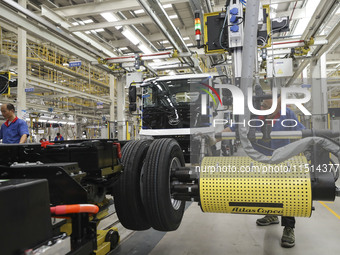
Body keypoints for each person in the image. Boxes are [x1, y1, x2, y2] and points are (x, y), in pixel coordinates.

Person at [222, 95, 305, 248]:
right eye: (262, 105)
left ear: (278, 107)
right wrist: (215, 137)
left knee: (287, 194)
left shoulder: (288, 115)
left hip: (282, 160)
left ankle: (288, 228)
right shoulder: (254, 116)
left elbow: (301, 131)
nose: (262, 109)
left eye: (267, 107)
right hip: (260, 161)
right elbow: (234, 128)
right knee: (265, 191)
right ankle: (272, 214)